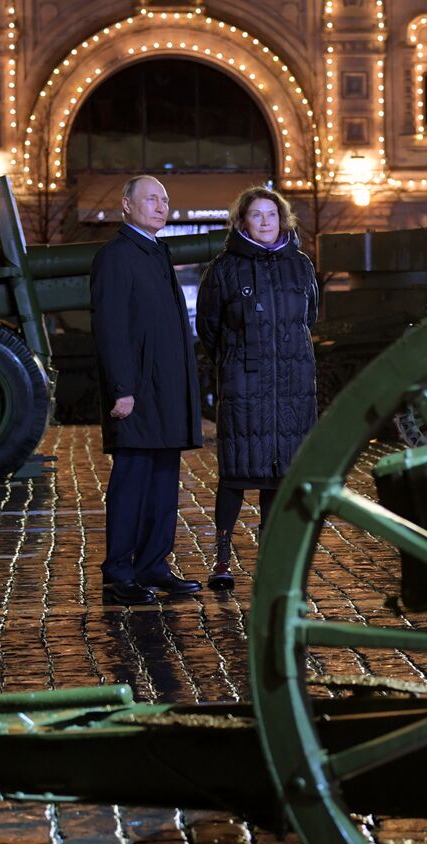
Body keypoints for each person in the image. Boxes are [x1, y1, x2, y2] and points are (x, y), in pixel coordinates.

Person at [196, 186, 318, 589]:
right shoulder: (224, 268)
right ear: (242, 221)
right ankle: (222, 558)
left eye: (271, 214)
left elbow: (309, 318)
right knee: (235, 474)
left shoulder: (300, 266)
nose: (265, 222)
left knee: (279, 476)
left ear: (282, 220)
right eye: (256, 215)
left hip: (292, 386)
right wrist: (236, 363)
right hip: (244, 385)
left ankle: (270, 556)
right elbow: (209, 328)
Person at [91, 174, 204, 605]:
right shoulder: (117, 257)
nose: (161, 206)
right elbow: (111, 328)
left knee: (161, 483)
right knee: (132, 484)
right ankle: (118, 573)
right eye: (151, 199)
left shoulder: (156, 252)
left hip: (166, 394)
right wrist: (121, 388)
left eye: (165, 200)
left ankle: (153, 564)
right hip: (135, 394)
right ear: (126, 205)